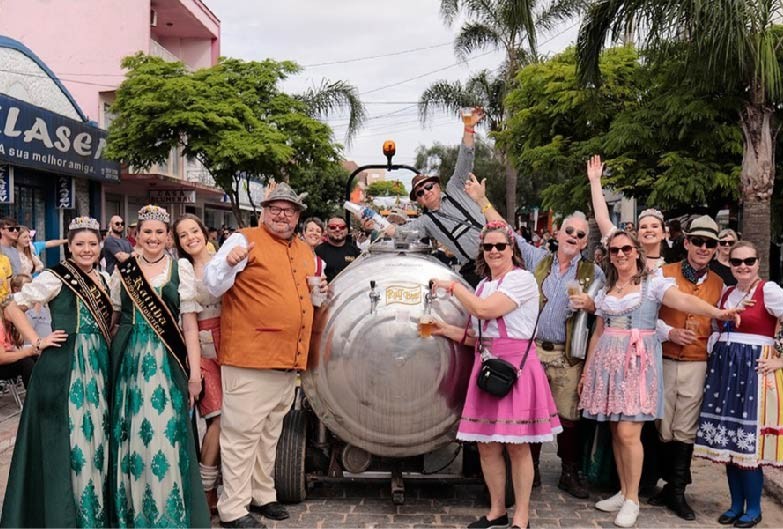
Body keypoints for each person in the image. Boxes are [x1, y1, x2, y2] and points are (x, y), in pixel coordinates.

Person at [578, 231, 739, 528]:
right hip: (608, 364)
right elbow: (598, 331)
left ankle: (633, 500)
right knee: (616, 431)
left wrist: (719, 312)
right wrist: (588, 371)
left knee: (629, 433)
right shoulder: (608, 287)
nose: (621, 254)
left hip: (637, 365)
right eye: (614, 250)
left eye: (626, 248)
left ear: (637, 252)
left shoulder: (652, 284)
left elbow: (684, 302)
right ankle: (624, 491)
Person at [469, 178, 605, 498]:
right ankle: (529, 472)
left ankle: (568, 471)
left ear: (585, 243)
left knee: (569, 416)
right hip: (529, 353)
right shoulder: (535, 259)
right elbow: (506, 232)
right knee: (527, 415)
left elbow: (605, 311)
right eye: (568, 231)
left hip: (567, 353)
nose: (573, 237)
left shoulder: (593, 273)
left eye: (580, 235)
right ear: (557, 234)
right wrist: (482, 199)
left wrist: (592, 303)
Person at [204, 182, 324, 528]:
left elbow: (305, 298)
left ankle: (262, 493)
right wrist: (228, 262)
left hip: (288, 359)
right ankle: (233, 509)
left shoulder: (304, 251)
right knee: (241, 436)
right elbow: (212, 283)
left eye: (289, 209)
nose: (282, 214)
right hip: (250, 357)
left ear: (298, 215)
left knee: (270, 432)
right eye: (275, 208)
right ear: (263, 211)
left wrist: (320, 293)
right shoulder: (243, 239)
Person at [430, 221, 562, 529]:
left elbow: (485, 311)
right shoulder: (483, 285)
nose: (493, 251)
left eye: (500, 246)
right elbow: (480, 336)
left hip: (514, 368)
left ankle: (522, 516)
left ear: (512, 250)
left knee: (517, 445)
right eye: (488, 247)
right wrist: (445, 330)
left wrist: (452, 286)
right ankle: (497, 510)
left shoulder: (522, 280)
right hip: (488, 365)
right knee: (487, 445)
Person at [0, 217, 110, 527]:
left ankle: (93, 510)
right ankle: (66, 514)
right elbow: (10, 306)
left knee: (95, 437)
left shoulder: (104, 278)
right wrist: (36, 341)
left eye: (92, 243)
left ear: (100, 245)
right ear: (70, 247)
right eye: (79, 244)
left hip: (99, 365)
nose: (86, 249)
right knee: (71, 437)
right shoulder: (55, 277)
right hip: (65, 365)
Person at [108, 205, 209, 528]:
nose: (153, 237)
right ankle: (134, 512)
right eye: (146, 232)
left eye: (159, 232)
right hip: (129, 365)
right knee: (133, 436)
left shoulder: (180, 269)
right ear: (136, 235)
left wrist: (194, 375)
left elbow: (189, 326)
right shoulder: (122, 270)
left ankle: (168, 513)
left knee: (167, 437)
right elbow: (112, 319)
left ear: (168, 237)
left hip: (168, 364)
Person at [694, 241, 783, 528]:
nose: (743, 266)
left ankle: (754, 508)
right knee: (730, 442)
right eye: (737, 262)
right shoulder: (727, 293)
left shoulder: (769, 290)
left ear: (758, 262)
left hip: (753, 372)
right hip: (725, 369)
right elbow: (719, 327)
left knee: (748, 444)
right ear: (729, 264)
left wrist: (781, 361)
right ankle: (735, 505)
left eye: (749, 260)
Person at [650, 215, 725, 520]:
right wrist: (670, 332)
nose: (703, 248)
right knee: (663, 425)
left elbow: (721, 324)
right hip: (665, 358)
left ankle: (678, 491)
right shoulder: (664, 273)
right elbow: (646, 317)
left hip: (697, 362)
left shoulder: (720, 283)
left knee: (686, 427)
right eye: (698, 241)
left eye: (710, 243)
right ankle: (665, 484)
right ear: (686, 243)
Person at [385, 109, 486, 286]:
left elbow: (465, 158)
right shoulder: (425, 222)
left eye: (428, 186)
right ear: (418, 200)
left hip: (502, 253)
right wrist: (378, 224)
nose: (426, 192)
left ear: (438, 186)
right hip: (476, 269)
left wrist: (468, 127)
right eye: (420, 192)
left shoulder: (455, 188)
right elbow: (401, 234)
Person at [173, 213, 223, 514]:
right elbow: (189, 323)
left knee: (238, 420)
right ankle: (205, 492)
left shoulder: (224, 259)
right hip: (203, 346)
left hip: (234, 341)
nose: (191, 237)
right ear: (177, 242)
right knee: (217, 418)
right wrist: (193, 372)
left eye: (194, 230)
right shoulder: (184, 269)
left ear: (204, 232)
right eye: (183, 235)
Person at [587, 155, 667, 273]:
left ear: (664, 234)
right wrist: (595, 181)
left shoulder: (670, 270)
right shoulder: (625, 254)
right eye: (643, 227)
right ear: (638, 234)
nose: (649, 230)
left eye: (655, 226)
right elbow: (602, 219)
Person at [315, 216, 361, 282]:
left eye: (342, 227)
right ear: (327, 230)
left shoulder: (355, 251)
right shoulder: (318, 252)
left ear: (347, 230)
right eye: (332, 227)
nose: (337, 229)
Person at [10, 274, 52, 343]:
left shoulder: (38, 301)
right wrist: (36, 309)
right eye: (27, 285)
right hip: (31, 347)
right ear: (16, 289)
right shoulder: (14, 304)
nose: (31, 287)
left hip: (49, 345)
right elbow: (25, 329)